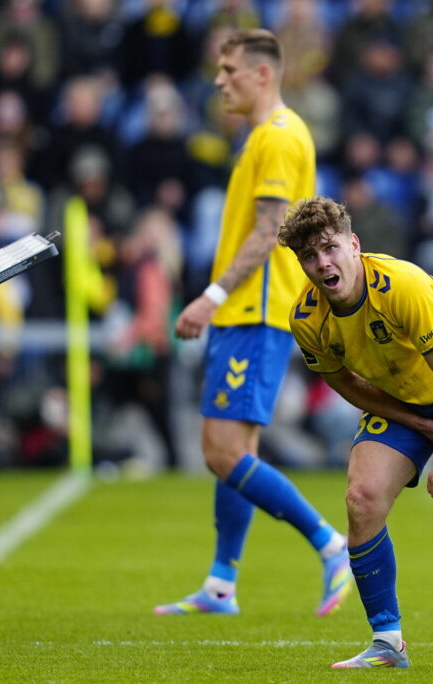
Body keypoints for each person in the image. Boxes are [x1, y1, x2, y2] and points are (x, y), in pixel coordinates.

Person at [154, 29, 351, 617]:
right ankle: (221, 585)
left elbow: (269, 234)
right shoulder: (268, 136)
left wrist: (209, 297)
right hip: (251, 313)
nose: (219, 80)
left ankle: (332, 544)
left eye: (230, 70)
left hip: (255, 312)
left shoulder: (280, 138)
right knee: (234, 450)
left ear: (263, 74)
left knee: (220, 452)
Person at [279, 197, 433, 671]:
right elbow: (343, 381)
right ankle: (387, 642)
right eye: (309, 256)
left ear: (354, 244)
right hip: (405, 397)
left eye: (329, 248)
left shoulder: (401, 285)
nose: (322, 263)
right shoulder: (306, 319)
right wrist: (415, 422)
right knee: (361, 499)